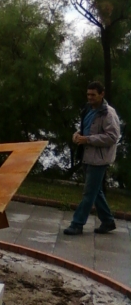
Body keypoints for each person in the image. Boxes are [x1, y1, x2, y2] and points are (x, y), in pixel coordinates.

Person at [63, 81, 120, 236]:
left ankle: (77, 224)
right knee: (96, 191)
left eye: (93, 95)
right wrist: (78, 134)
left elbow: (112, 137)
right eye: (88, 94)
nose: (90, 98)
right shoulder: (88, 109)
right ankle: (108, 221)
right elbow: (86, 127)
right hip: (87, 155)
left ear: (102, 94)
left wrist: (88, 139)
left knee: (89, 193)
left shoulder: (108, 113)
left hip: (99, 160)